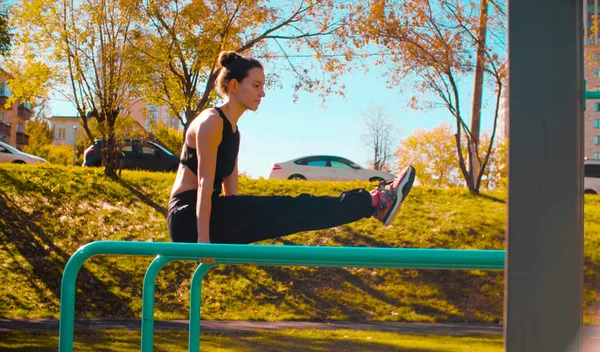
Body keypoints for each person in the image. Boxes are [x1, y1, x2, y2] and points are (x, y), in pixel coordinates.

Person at [167, 51, 416, 245]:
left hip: (210, 216)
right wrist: (203, 243)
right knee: (289, 206)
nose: (262, 93)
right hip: (187, 218)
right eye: (256, 85)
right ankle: (374, 202)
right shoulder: (211, 122)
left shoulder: (234, 131)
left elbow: (233, 200)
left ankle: (373, 205)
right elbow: (203, 184)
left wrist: (234, 236)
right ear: (233, 86)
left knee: (292, 209)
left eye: (263, 86)